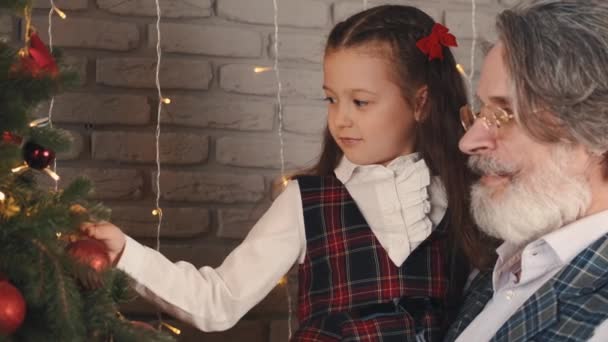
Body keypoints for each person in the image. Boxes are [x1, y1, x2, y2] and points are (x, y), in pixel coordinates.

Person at [84, 5, 486, 341]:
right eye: (331, 99)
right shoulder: (306, 202)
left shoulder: (465, 195)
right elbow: (219, 301)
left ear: (420, 103)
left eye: (361, 102)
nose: (340, 120)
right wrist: (125, 253)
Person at [444, 1, 608, 341]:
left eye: (505, 114)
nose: (469, 141)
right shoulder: (511, 258)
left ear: (596, 132)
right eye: (480, 111)